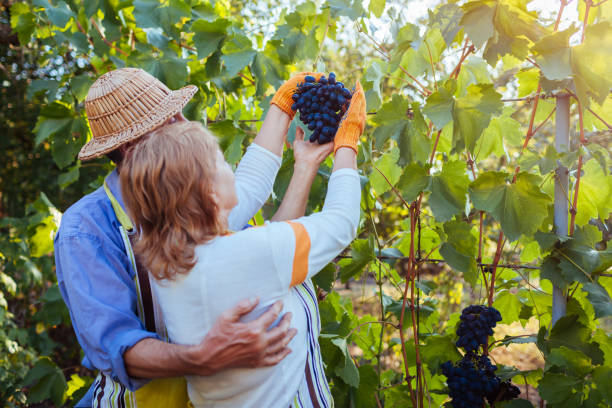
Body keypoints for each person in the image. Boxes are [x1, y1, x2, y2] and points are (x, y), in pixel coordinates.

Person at [54, 67, 335, 406]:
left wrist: (284, 106)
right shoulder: (86, 230)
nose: (185, 122)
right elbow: (116, 345)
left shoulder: (186, 197)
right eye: (171, 120)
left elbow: (251, 192)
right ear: (132, 147)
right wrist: (203, 357)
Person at [117, 81, 366, 407]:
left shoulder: (174, 265)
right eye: (222, 163)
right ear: (209, 194)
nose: (232, 169)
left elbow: (262, 257)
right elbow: (341, 222)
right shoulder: (248, 255)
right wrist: (348, 145)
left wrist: (293, 137)